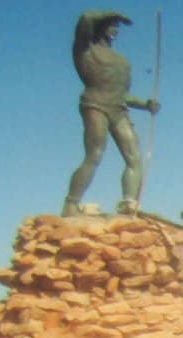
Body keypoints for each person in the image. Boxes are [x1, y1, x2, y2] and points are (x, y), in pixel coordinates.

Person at [62, 10, 160, 217]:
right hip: (95, 105)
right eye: (111, 24)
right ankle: (71, 204)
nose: (115, 29)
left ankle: (129, 204)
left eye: (117, 26)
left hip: (118, 109)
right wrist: (113, 13)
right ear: (100, 25)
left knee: (134, 157)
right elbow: (86, 18)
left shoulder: (123, 62)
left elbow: (123, 94)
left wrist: (145, 104)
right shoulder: (85, 49)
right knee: (95, 154)